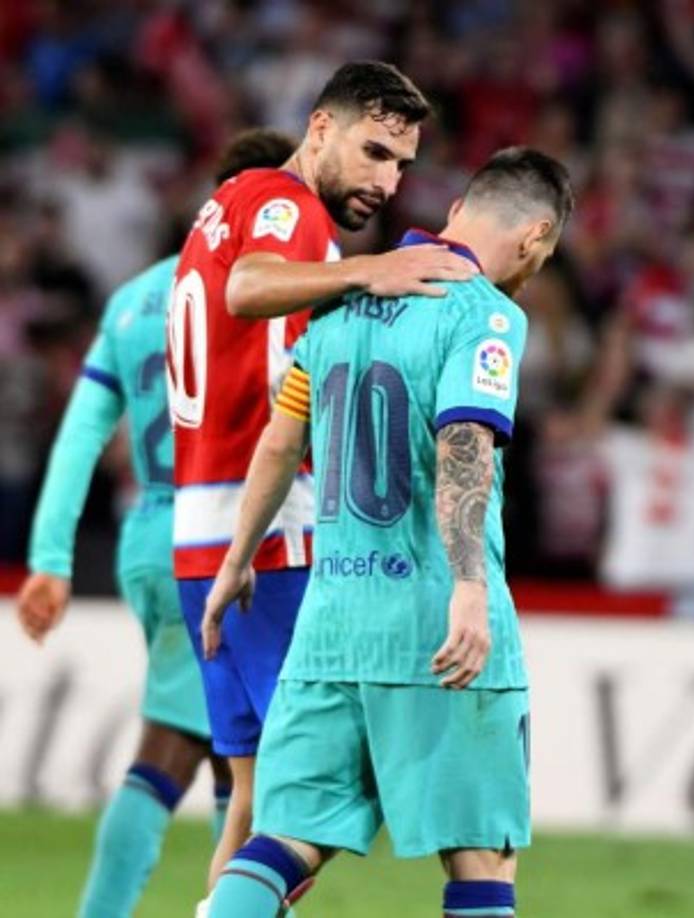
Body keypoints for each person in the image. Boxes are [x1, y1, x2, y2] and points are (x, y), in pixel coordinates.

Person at [202, 147, 574, 918]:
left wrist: (237, 559)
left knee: (280, 843)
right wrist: (471, 586)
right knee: (480, 859)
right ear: (536, 234)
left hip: (330, 625)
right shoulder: (486, 314)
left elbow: (281, 439)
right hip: (435, 621)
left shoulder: (345, 297)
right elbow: (464, 443)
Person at [168, 59, 479, 898]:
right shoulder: (287, 207)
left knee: (252, 799)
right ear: (319, 129)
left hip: (207, 534)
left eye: (402, 165)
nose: (387, 181)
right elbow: (247, 289)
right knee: (327, 786)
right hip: (273, 530)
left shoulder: (227, 206)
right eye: (375, 152)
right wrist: (367, 271)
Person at [15, 127, 297, 918]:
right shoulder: (254, 292)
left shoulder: (135, 296)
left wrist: (51, 557)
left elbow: (80, 431)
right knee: (191, 749)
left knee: (227, 751)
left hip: (150, 533)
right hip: (225, 537)